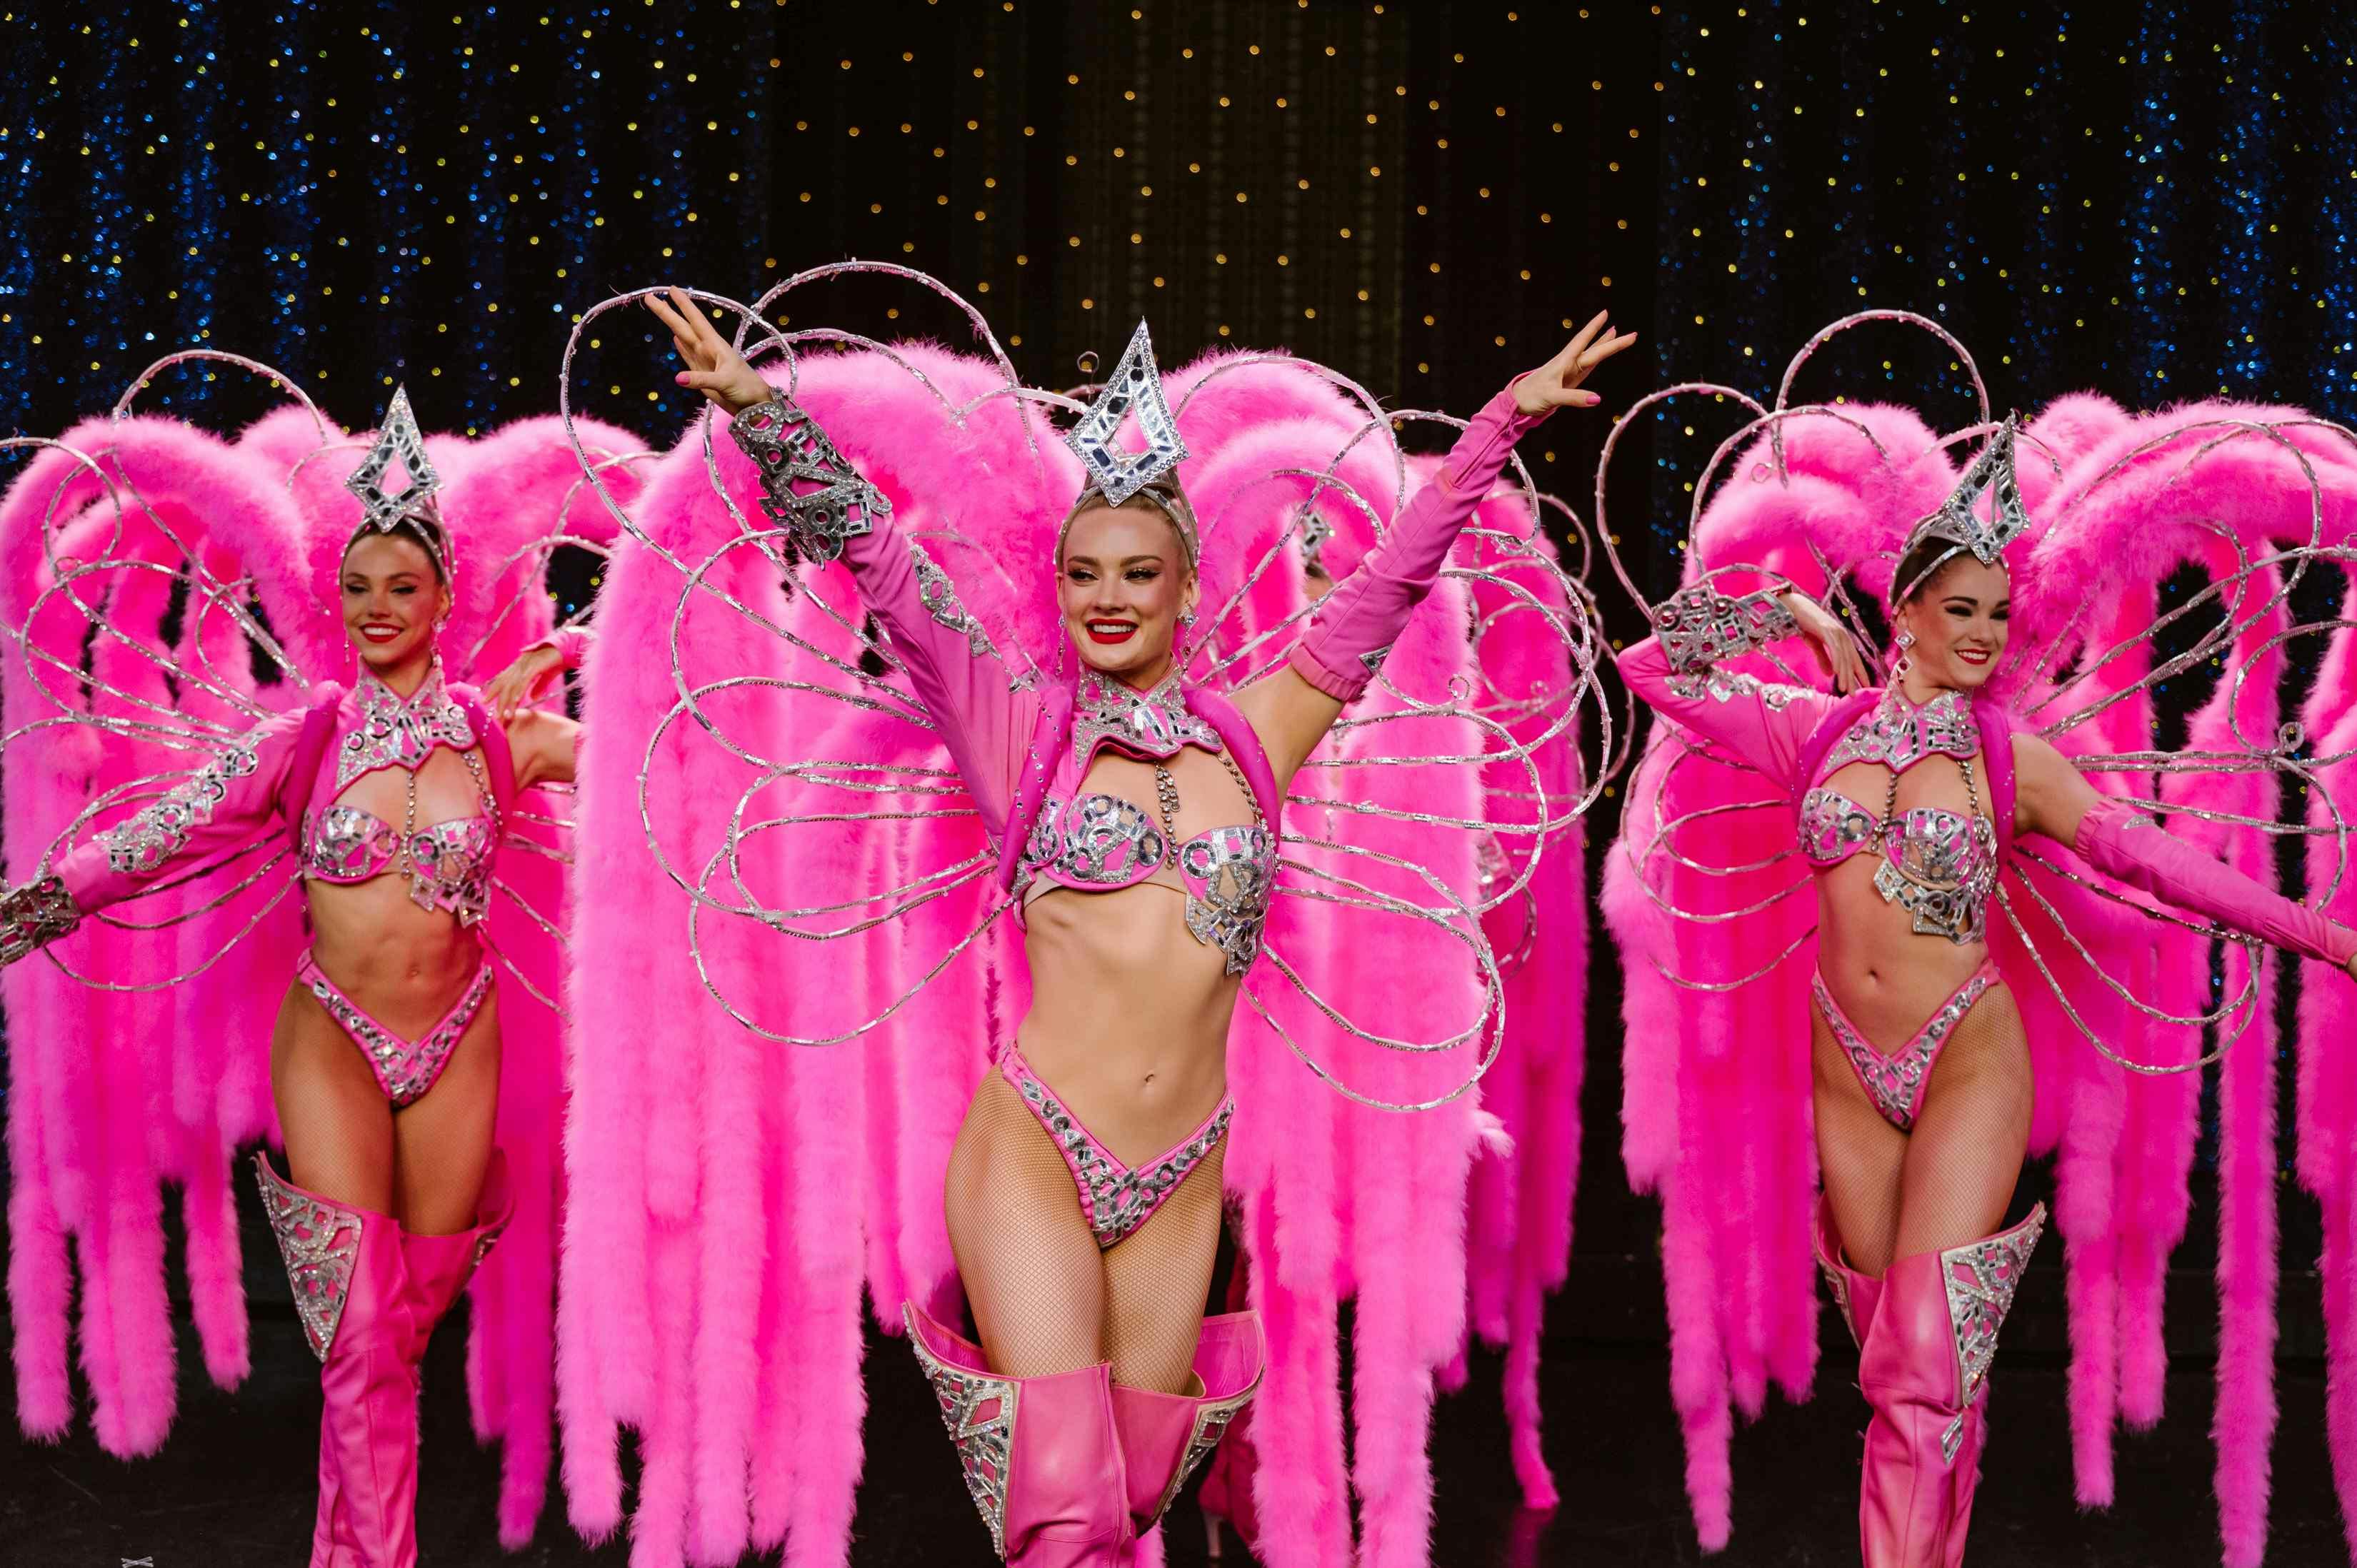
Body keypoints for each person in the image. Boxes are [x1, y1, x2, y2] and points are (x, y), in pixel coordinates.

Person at [621, 286, 1631, 1563]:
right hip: (1036, 1149)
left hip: (1181, 1176)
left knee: (1133, 1494)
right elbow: (882, 561)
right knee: (1065, 1516)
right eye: (1085, 574)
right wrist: (764, 411)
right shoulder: (1019, 735)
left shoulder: (1263, 734)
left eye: (1137, 574)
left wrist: (1500, 427)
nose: (1109, 598)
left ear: (1186, 587)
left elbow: (1389, 580)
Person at [1612, 418, 2357, 1567]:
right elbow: (1649, 668)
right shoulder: (1813, 734)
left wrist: (2327, 937)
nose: (1983, 632)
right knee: (1906, 1370)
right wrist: (1791, 615)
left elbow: (2163, 864)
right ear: (1904, 612)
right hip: (1846, 1064)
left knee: (1920, 1361)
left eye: (1998, 614)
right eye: (1959, 608)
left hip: (1968, 1052)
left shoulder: (2011, 760)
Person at [0, 390, 591, 1568]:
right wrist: (44, 898)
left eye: (401, 589)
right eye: (359, 589)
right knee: (360, 1333)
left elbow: (651, 771)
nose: (377, 609)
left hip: (459, 1040)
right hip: (332, 1038)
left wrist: (588, 654)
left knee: (399, 1325)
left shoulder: (502, 739)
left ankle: (351, 1538)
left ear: (441, 601)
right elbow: (168, 823)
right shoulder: (304, 743)